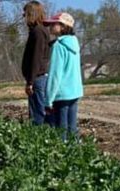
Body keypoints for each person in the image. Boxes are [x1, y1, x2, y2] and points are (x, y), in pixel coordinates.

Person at [44, 12, 84, 141]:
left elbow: (55, 74)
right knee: (72, 128)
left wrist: (48, 99)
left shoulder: (59, 46)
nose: (50, 27)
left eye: (53, 24)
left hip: (61, 94)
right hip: (74, 91)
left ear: (62, 26)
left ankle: (63, 155)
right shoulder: (74, 44)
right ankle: (76, 153)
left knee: (61, 130)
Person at [22, 1, 51, 125]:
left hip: (37, 79)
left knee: (37, 114)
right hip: (37, 78)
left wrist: (30, 81)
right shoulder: (39, 30)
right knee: (37, 111)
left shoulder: (38, 32)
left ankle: (40, 138)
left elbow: (36, 58)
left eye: (26, 14)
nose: (24, 17)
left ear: (32, 14)